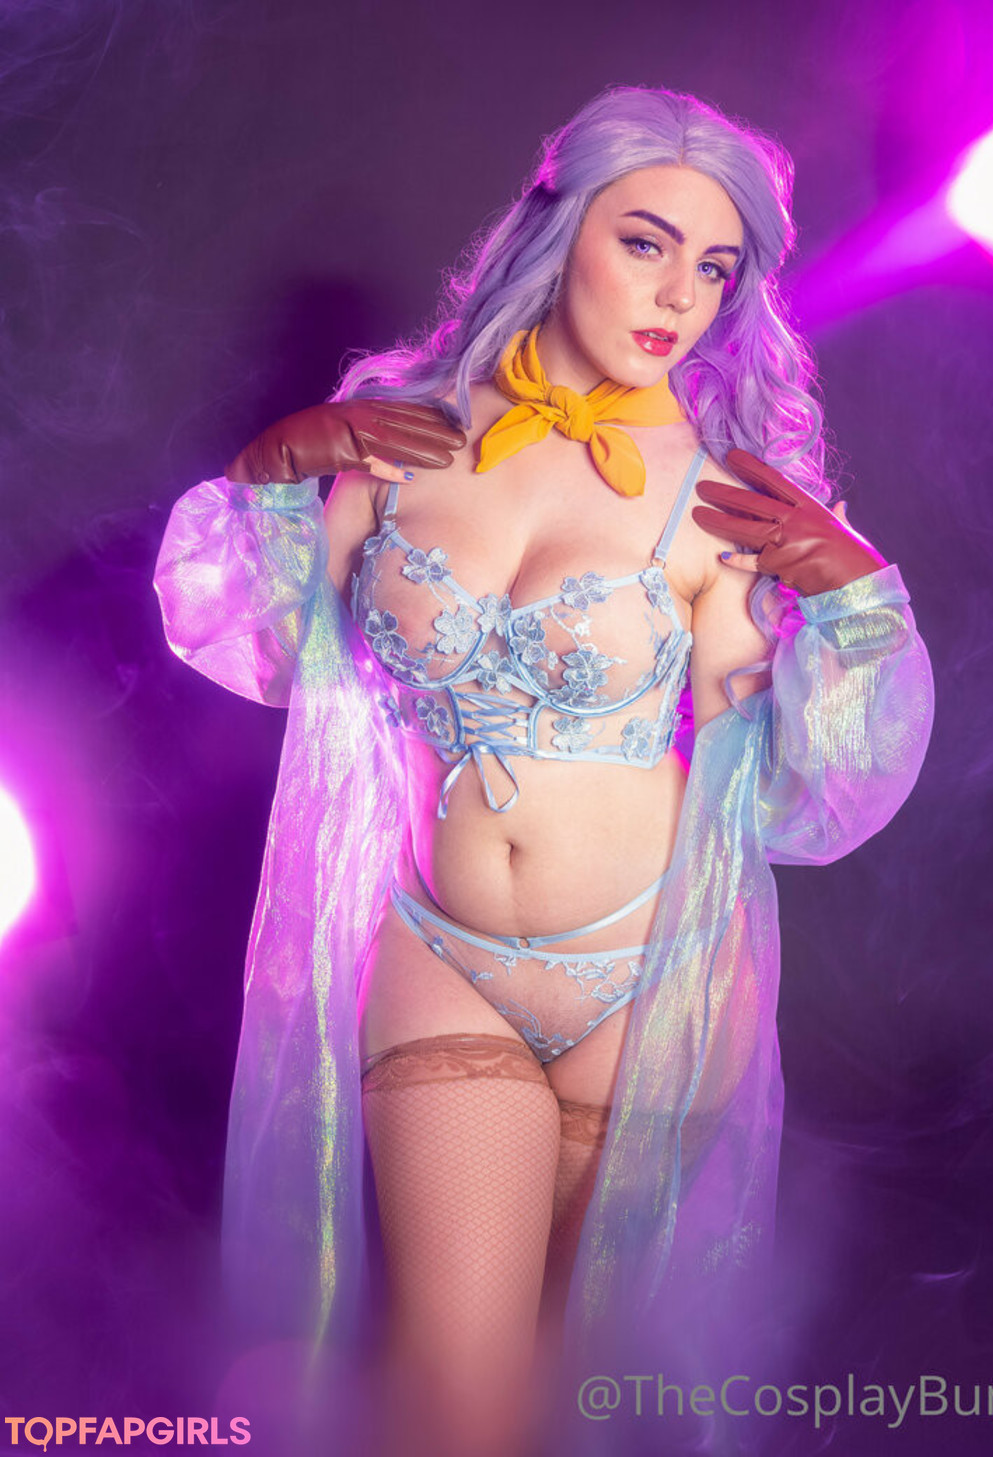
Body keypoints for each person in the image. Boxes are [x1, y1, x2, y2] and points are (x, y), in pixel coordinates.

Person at [154, 85, 933, 1457]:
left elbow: (796, 797)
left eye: (716, 267)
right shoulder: (397, 435)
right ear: (559, 227)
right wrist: (271, 477)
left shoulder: (727, 493)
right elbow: (279, 657)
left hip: (653, 981)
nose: (679, 297)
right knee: (456, 1407)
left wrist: (858, 609)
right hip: (439, 955)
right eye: (646, 243)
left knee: (573, 1410)